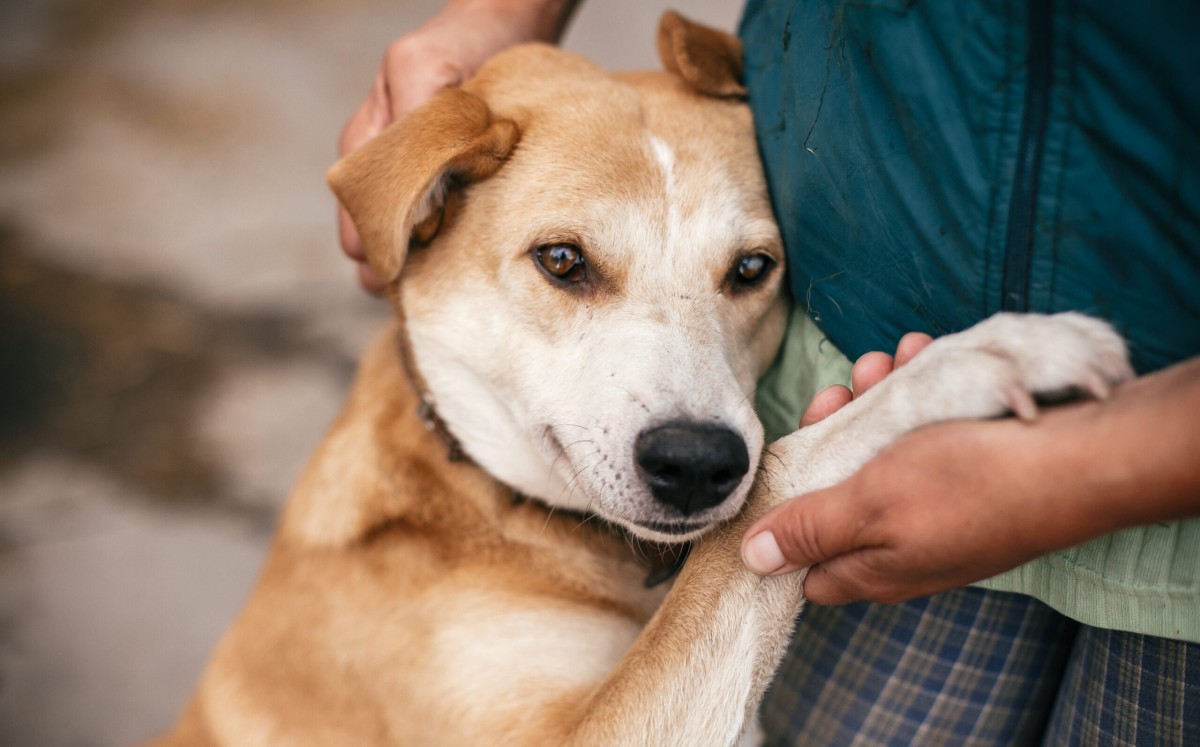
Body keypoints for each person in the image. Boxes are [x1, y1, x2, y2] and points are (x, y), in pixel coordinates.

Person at [336, 1, 1200, 743]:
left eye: (745, 271)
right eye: (567, 262)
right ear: (428, 209)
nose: (684, 411)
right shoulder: (378, 561)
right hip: (893, 416)